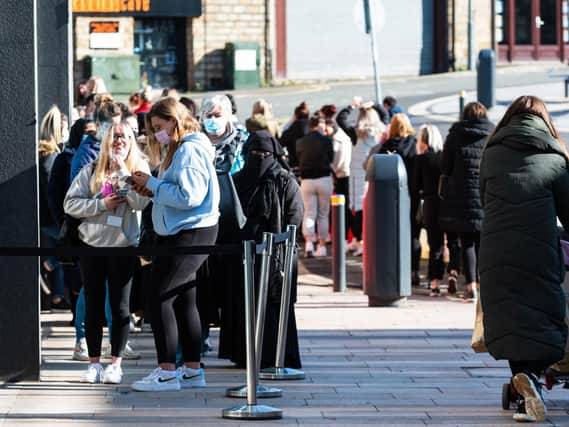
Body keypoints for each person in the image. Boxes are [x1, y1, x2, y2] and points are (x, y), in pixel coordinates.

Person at [479, 96, 569, 423]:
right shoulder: (555, 157)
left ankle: (524, 391)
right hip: (538, 251)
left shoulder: (491, 154)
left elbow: (484, 200)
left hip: (495, 249)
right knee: (542, 313)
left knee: (510, 317)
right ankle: (532, 380)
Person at [130, 98, 219, 392]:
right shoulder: (183, 148)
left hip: (188, 230)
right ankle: (191, 369)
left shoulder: (189, 149)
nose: (158, 134)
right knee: (183, 299)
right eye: (154, 129)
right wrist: (153, 187)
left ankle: (167, 371)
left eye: (159, 126)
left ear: (174, 121)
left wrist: (153, 185)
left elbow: (189, 196)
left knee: (159, 296)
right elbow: (182, 194)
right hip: (186, 230)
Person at [64, 121, 150, 384]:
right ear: (105, 141)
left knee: (120, 306)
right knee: (92, 304)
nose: (119, 141)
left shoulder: (138, 169)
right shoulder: (91, 170)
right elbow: (70, 203)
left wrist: (125, 174)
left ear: (131, 140)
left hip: (123, 247)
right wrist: (101, 204)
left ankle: (116, 363)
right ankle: (93, 364)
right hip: (92, 245)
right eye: (113, 137)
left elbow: (141, 202)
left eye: (123, 137)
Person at [230, 130, 304, 368]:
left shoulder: (285, 180)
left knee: (276, 304)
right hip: (244, 252)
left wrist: (282, 243)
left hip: (277, 253)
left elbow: (295, 215)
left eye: (265, 154)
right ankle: (245, 354)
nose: (260, 157)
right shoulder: (238, 180)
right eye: (254, 153)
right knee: (244, 302)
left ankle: (280, 355)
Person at [198, 94, 249, 363]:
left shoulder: (243, 142)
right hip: (202, 222)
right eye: (209, 115)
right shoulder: (195, 142)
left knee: (231, 285)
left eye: (218, 115)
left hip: (233, 224)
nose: (213, 120)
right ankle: (200, 337)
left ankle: (233, 343)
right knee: (201, 285)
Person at [439, 102, 494, 300]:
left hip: (461, 196)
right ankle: (483, 284)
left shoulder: (455, 135)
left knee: (467, 242)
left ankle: (471, 286)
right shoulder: (493, 134)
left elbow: (445, 167)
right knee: (483, 241)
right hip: (485, 194)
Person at [372, 113, 419, 282]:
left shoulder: (387, 146)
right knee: (413, 232)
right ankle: (414, 270)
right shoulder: (414, 145)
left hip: (391, 197)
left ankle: (396, 268)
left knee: (393, 233)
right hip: (411, 193)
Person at [38, 105, 68, 309]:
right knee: (70, 246)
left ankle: (57, 294)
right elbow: (51, 189)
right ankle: (50, 263)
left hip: (47, 216)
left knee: (63, 249)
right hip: (52, 216)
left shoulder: (45, 155)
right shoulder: (52, 157)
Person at [296, 114, 334, 257]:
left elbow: (298, 157)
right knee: (323, 214)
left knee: (309, 213)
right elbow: (331, 158)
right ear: (319, 125)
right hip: (324, 177)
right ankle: (322, 246)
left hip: (306, 179)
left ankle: (308, 244)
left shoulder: (300, 142)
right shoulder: (326, 140)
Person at [348, 107, 385, 256]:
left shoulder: (357, 133)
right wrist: (374, 106)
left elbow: (341, 120)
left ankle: (360, 241)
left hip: (356, 175)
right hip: (371, 175)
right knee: (368, 210)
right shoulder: (379, 133)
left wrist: (354, 106)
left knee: (358, 210)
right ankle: (363, 242)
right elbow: (385, 114)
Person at [414, 125, 445, 296]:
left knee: (435, 245)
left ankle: (435, 283)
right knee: (452, 244)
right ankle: (455, 274)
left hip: (431, 204)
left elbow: (416, 185)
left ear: (424, 140)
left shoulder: (422, 159)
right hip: (447, 203)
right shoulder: (444, 157)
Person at [325, 118, 352, 241]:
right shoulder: (344, 137)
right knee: (345, 207)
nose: (325, 132)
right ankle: (345, 235)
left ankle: (342, 235)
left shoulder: (337, 140)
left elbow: (337, 160)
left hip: (341, 175)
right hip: (345, 174)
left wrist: (332, 171)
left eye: (327, 129)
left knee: (341, 207)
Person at [279, 101, 309, 169]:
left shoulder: (290, 131)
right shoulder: (314, 129)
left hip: (295, 165)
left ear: (295, 116)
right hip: (313, 166)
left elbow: (279, 146)